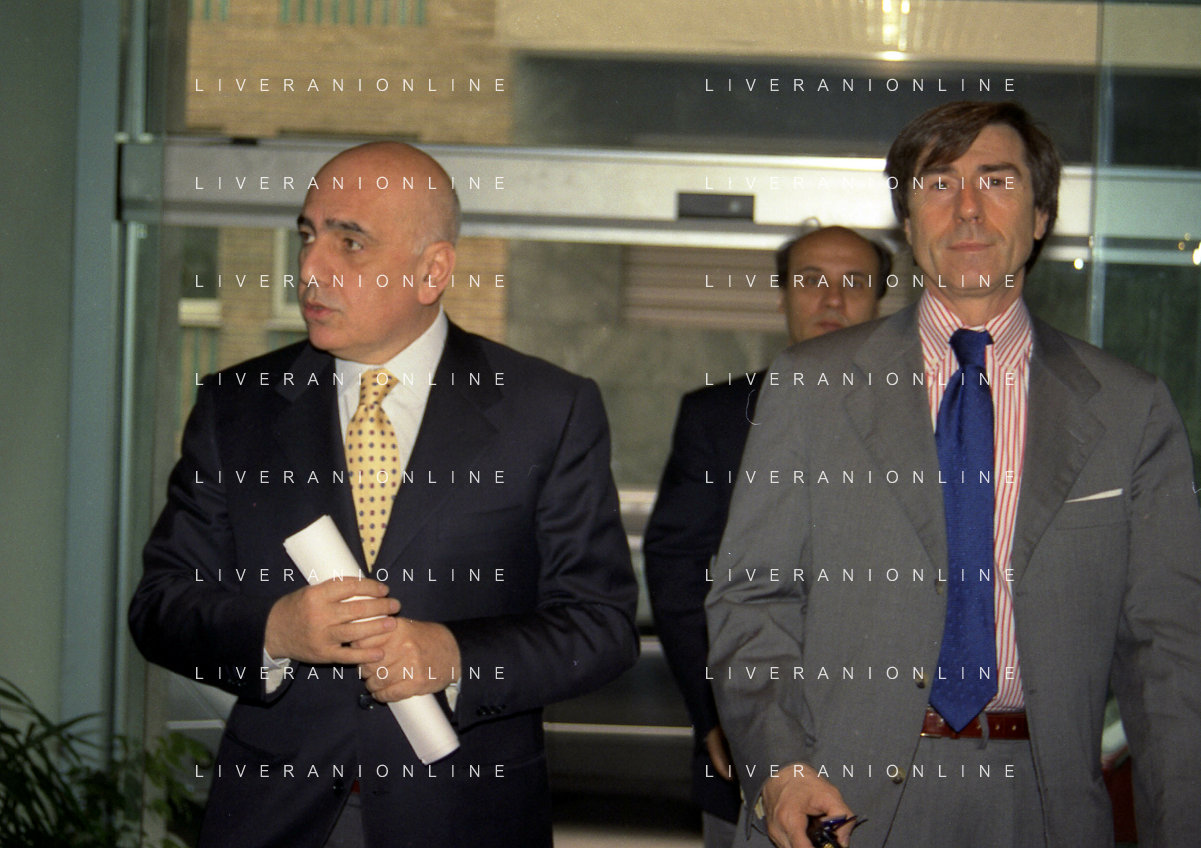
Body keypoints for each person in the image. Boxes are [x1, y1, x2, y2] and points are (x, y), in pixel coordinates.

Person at [706, 101, 1201, 848]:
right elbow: (751, 599)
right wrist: (779, 767)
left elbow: (1169, 654)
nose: (967, 208)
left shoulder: (1130, 409)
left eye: (996, 181)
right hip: (839, 802)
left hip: (1044, 807)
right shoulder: (810, 386)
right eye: (938, 184)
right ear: (908, 224)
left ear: (1041, 215)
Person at [129, 141, 639, 848]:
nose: (310, 268)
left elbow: (600, 627)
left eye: (350, 243)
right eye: (307, 236)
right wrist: (274, 632)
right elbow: (159, 607)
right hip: (275, 819)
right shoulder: (236, 407)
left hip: (463, 819)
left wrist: (455, 657)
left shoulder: (547, 410)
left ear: (432, 271)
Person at [643, 226, 890, 848]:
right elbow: (677, 573)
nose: (832, 299)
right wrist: (717, 713)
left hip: (889, 741)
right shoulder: (716, 417)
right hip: (742, 738)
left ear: (882, 299)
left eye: (854, 282)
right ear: (781, 295)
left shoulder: (923, 415)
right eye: (811, 280)